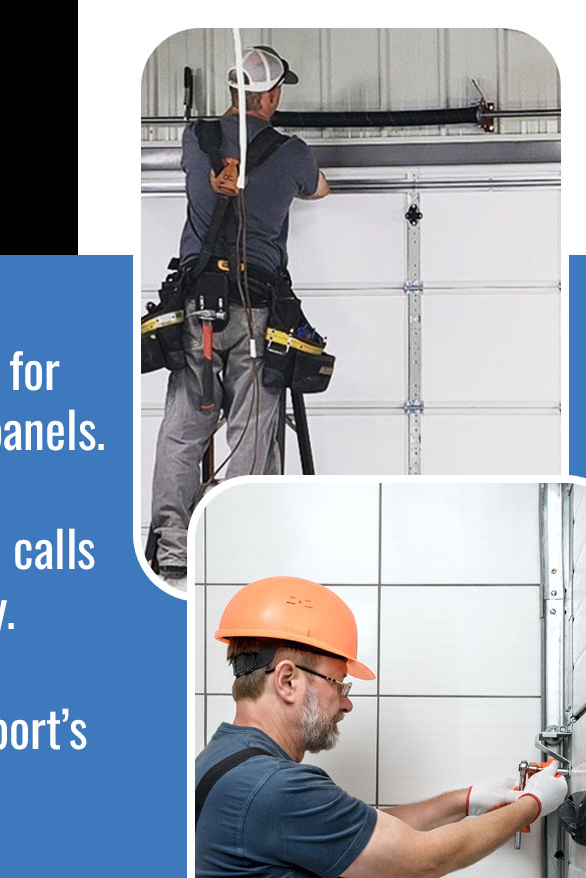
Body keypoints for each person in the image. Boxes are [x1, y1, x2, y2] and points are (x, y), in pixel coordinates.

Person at [194, 576, 569, 878]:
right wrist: (535, 802)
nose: (347, 704)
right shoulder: (275, 788)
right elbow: (426, 859)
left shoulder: (224, 761)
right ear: (288, 681)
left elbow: (358, 829)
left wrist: (466, 800)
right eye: (339, 684)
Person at [150, 46, 330, 586]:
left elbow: (205, 176)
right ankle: (245, 548)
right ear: (271, 97)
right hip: (254, 312)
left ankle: (174, 549)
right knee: (253, 433)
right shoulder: (292, 152)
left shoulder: (196, 140)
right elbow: (320, 189)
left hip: (197, 313)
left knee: (183, 433)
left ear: (234, 93)